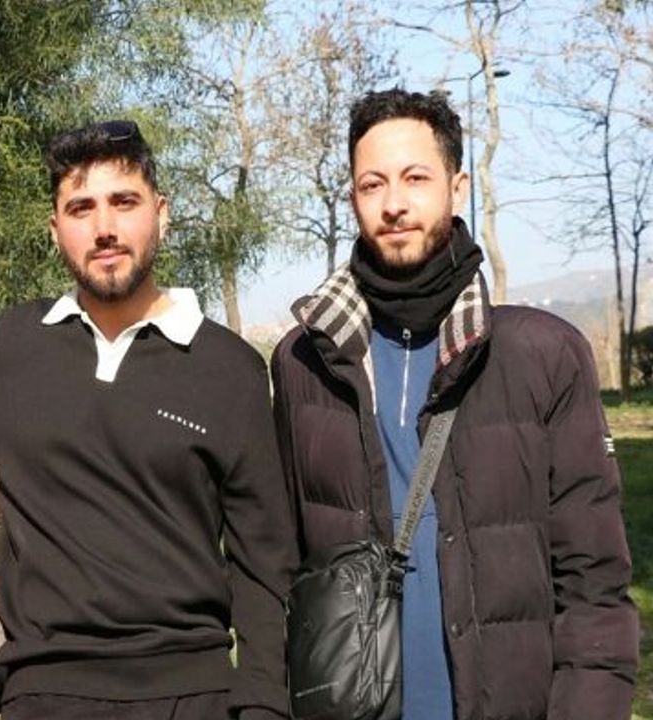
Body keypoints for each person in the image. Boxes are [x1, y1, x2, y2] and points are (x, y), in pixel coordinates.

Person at [270, 88, 638, 719]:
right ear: (353, 197)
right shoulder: (304, 361)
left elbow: (594, 581)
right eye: (372, 184)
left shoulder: (543, 354)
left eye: (416, 178)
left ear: (458, 187)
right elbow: (279, 568)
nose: (394, 203)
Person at [0, 120, 297, 720]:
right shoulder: (15, 346)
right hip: (43, 697)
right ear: (55, 230)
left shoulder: (229, 369)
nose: (104, 227)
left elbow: (265, 562)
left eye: (124, 202)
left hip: (191, 696)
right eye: (81, 207)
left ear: (161, 214)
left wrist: (263, 707)